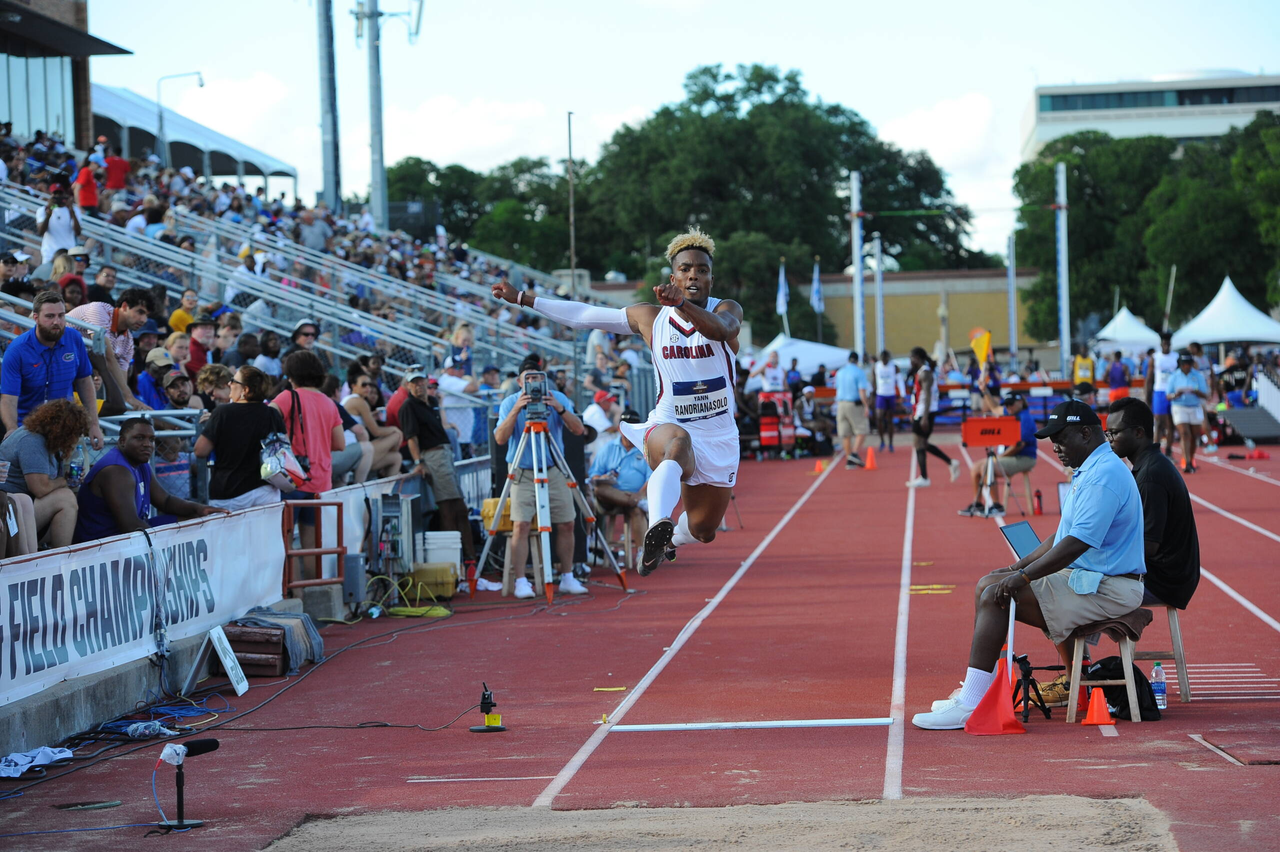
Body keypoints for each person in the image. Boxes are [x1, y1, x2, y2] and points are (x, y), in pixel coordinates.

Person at [492, 227, 743, 575]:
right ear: (673, 277)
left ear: (712, 279)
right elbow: (585, 316)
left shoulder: (727, 310)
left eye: (702, 270)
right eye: (685, 269)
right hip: (670, 422)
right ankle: (657, 526)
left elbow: (720, 331)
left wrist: (682, 305)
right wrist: (524, 298)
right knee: (678, 443)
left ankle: (671, 539)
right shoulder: (651, 317)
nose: (693, 276)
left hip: (719, 434)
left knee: (704, 529)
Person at [911, 400, 1146, 730]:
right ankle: (978, 690)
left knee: (996, 596)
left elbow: (1075, 544)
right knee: (990, 583)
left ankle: (972, 703)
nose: (1055, 448)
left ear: (1086, 433)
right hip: (1091, 578)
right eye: (1052, 441)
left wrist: (1022, 577)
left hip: (1111, 587)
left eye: (1061, 439)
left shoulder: (1103, 476)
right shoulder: (1091, 468)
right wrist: (1016, 568)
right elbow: (1061, 536)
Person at [495, 358, 587, 596]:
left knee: (567, 522)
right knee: (521, 524)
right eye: (529, 379)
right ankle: (521, 582)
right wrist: (517, 409)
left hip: (553, 467)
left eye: (538, 378)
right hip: (522, 470)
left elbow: (579, 430)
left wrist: (559, 408)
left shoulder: (557, 398)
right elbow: (500, 439)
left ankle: (567, 577)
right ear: (519, 382)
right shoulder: (509, 403)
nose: (534, 383)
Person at [74, 417, 227, 542]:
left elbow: (165, 501)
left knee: (195, 519)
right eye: (139, 438)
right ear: (122, 441)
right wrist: (161, 546)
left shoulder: (140, 463)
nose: (147, 444)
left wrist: (199, 508)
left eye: (152, 439)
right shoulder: (116, 470)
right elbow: (130, 526)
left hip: (123, 537)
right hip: (101, 546)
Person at [270, 350, 345, 580]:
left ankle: (296, 594)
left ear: (291, 374)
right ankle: (313, 591)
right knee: (312, 546)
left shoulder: (287, 397)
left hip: (291, 480)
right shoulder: (329, 403)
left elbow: (266, 421)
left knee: (287, 544)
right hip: (320, 482)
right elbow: (340, 443)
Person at [0, 292, 104, 447]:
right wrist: (12, 429)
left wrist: (94, 424)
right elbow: (9, 397)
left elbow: (84, 381)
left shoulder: (74, 338)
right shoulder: (17, 350)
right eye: (49, 316)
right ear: (36, 318)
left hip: (66, 429)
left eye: (61, 316)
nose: (57, 322)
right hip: (28, 431)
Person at [399, 368, 478, 573]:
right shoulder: (409, 406)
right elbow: (411, 437)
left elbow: (439, 426)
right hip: (434, 456)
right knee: (451, 506)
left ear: (427, 382)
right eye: (414, 383)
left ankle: (466, 560)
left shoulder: (432, 402)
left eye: (421, 381)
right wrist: (419, 461)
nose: (419, 386)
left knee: (456, 507)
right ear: (408, 385)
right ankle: (460, 562)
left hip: (444, 454)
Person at [193, 366, 287, 510]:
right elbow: (285, 448)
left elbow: (200, 450)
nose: (229, 384)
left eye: (233, 381)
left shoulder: (222, 413)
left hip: (230, 492)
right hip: (266, 490)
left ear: (245, 390)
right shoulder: (272, 414)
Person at [0, 399, 87, 548]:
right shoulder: (31, 440)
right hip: (8, 510)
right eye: (74, 433)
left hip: (23, 508)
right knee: (65, 498)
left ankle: (56, 553)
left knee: (67, 499)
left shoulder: (46, 439)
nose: (76, 439)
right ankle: (61, 556)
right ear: (62, 430)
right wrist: (64, 481)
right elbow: (40, 489)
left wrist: (66, 479)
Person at [67, 286, 153, 411]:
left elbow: (121, 382)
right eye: (140, 312)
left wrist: (129, 398)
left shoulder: (128, 341)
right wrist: (129, 397)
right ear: (125, 306)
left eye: (147, 315)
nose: (144, 320)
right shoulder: (99, 310)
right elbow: (107, 357)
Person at [958, 392, 1037, 518]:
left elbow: (1019, 445)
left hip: (1024, 458)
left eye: (1011, 404)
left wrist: (1000, 457)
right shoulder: (1011, 413)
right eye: (1007, 405)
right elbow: (994, 408)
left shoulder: (1024, 418)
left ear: (1020, 402)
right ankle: (977, 503)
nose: (1008, 407)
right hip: (1011, 456)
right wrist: (985, 390)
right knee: (975, 467)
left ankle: (997, 506)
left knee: (987, 467)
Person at [589, 409, 651, 566]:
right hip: (611, 498)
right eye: (626, 428)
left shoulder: (646, 449)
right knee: (599, 489)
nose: (629, 432)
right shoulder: (608, 448)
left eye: (633, 428)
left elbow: (651, 478)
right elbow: (593, 475)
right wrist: (604, 478)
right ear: (619, 429)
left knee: (636, 510)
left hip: (637, 495)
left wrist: (640, 494)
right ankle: (639, 503)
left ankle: (642, 553)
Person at [905, 347, 960, 488]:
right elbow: (919, 396)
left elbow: (928, 396)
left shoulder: (925, 373)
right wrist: (914, 412)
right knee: (921, 444)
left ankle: (925, 477)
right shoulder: (921, 372)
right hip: (921, 411)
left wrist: (924, 417)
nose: (910, 361)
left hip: (925, 413)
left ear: (917, 358)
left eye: (911, 358)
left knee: (919, 443)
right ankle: (949, 463)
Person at [342, 372, 403, 479]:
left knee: (396, 457)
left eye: (369, 384)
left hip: (351, 450)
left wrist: (371, 416)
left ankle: (388, 488)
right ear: (354, 386)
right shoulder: (359, 401)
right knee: (396, 435)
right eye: (364, 385)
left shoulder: (348, 399)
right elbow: (376, 431)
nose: (368, 388)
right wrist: (395, 429)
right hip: (354, 452)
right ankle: (384, 472)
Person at [1167, 353, 1209, 473]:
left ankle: (1190, 458)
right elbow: (1168, 395)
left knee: (1194, 435)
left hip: (1194, 406)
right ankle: (1187, 462)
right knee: (1185, 433)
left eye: (1189, 364)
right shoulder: (1174, 376)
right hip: (1179, 406)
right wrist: (1176, 395)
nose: (1187, 366)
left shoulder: (1198, 375)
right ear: (1180, 365)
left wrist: (1195, 391)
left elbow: (1205, 395)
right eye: (1184, 364)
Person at [436, 355, 480, 457]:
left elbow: (477, 393)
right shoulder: (448, 380)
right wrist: (471, 369)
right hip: (457, 433)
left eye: (463, 367)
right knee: (460, 462)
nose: (461, 370)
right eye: (457, 367)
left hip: (461, 434)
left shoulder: (453, 380)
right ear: (448, 369)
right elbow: (474, 388)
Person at [834, 351, 872, 468]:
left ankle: (849, 460)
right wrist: (866, 405)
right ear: (857, 360)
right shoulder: (859, 372)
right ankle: (854, 453)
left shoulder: (840, 372)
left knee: (846, 434)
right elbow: (862, 391)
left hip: (841, 404)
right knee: (862, 430)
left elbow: (837, 387)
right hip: (853, 404)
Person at [1145, 332, 1179, 456]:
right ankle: (1156, 450)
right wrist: (1147, 396)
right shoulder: (1155, 357)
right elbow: (1149, 378)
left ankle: (1169, 450)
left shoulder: (1176, 356)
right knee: (1158, 422)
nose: (1166, 346)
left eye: (1168, 344)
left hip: (1172, 392)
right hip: (1159, 391)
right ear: (1161, 344)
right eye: (1164, 343)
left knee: (1171, 423)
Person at [35, 183, 80, 262]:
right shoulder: (42, 210)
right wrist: (49, 213)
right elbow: (40, 232)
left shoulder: (74, 210)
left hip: (68, 252)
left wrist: (71, 212)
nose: (58, 197)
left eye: (60, 194)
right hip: (49, 253)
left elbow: (78, 232)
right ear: (50, 195)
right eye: (55, 194)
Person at [582, 389, 622, 459]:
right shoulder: (595, 410)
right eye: (609, 402)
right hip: (591, 446)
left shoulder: (595, 409)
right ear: (603, 402)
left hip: (591, 444)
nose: (611, 404)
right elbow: (609, 429)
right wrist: (624, 427)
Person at [873, 350, 900, 453]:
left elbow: (899, 380)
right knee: (879, 417)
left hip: (890, 394)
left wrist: (902, 394)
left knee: (890, 420)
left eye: (886, 359)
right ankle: (882, 440)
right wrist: (872, 393)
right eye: (882, 360)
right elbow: (874, 380)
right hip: (880, 394)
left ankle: (891, 443)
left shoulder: (894, 367)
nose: (884, 361)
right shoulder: (876, 366)